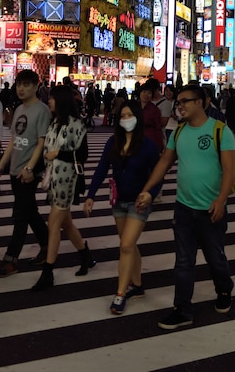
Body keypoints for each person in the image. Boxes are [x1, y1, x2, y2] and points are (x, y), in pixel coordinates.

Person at [135, 84, 235, 330]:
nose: (179, 106)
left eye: (184, 101)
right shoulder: (179, 133)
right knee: (183, 261)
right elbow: (164, 164)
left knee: (215, 258)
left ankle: (224, 290)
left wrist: (221, 200)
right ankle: (182, 309)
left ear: (201, 102)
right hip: (184, 209)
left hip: (211, 209)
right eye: (177, 102)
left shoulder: (220, 131)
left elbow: (230, 172)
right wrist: (147, 190)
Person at [85, 100, 161, 314]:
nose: (126, 120)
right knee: (129, 244)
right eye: (122, 116)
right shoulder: (113, 142)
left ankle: (120, 293)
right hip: (119, 201)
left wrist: (150, 195)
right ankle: (137, 285)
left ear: (137, 117)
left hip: (139, 202)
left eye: (130, 115)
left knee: (126, 245)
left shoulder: (147, 145)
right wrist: (91, 195)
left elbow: (158, 175)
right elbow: (101, 168)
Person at [31, 85, 94, 291]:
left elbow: (82, 155)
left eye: (52, 98)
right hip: (53, 179)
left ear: (62, 101)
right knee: (66, 224)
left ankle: (48, 271)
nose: (49, 101)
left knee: (53, 224)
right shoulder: (54, 123)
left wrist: (58, 154)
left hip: (68, 181)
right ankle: (86, 256)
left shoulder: (76, 125)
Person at [0, 70, 51, 278]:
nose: (21, 89)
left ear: (36, 86)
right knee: (30, 211)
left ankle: (11, 259)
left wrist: (30, 168)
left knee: (21, 216)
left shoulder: (42, 111)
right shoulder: (18, 110)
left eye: (26, 85)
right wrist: (1, 165)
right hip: (15, 169)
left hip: (28, 172)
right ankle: (47, 246)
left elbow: (41, 143)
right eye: (19, 85)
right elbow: (14, 140)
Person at [139, 78, 166, 152]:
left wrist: (159, 146)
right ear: (140, 93)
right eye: (144, 92)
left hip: (149, 139)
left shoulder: (154, 110)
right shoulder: (133, 107)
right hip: (135, 139)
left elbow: (158, 128)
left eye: (149, 93)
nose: (146, 95)